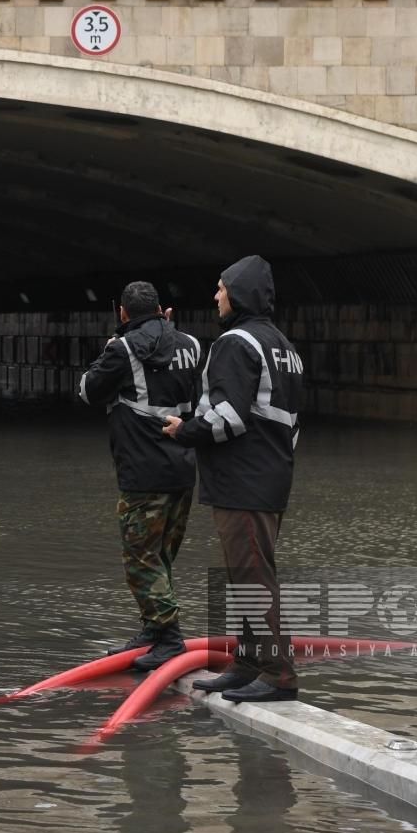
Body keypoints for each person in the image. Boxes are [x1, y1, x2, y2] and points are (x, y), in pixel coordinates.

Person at [162, 255, 306, 704]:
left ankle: (278, 674)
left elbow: (227, 417)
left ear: (239, 293)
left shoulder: (235, 343)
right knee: (245, 573)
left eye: (222, 287)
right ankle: (247, 664)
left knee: (251, 576)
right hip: (269, 476)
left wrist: (184, 430)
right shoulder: (283, 346)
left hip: (243, 480)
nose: (216, 295)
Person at [77, 281, 202, 672]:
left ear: (123, 313)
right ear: (161, 308)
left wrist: (116, 341)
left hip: (143, 472)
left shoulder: (123, 348)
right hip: (183, 468)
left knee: (141, 559)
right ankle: (153, 629)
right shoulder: (192, 345)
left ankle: (169, 637)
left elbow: (86, 390)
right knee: (162, 556)